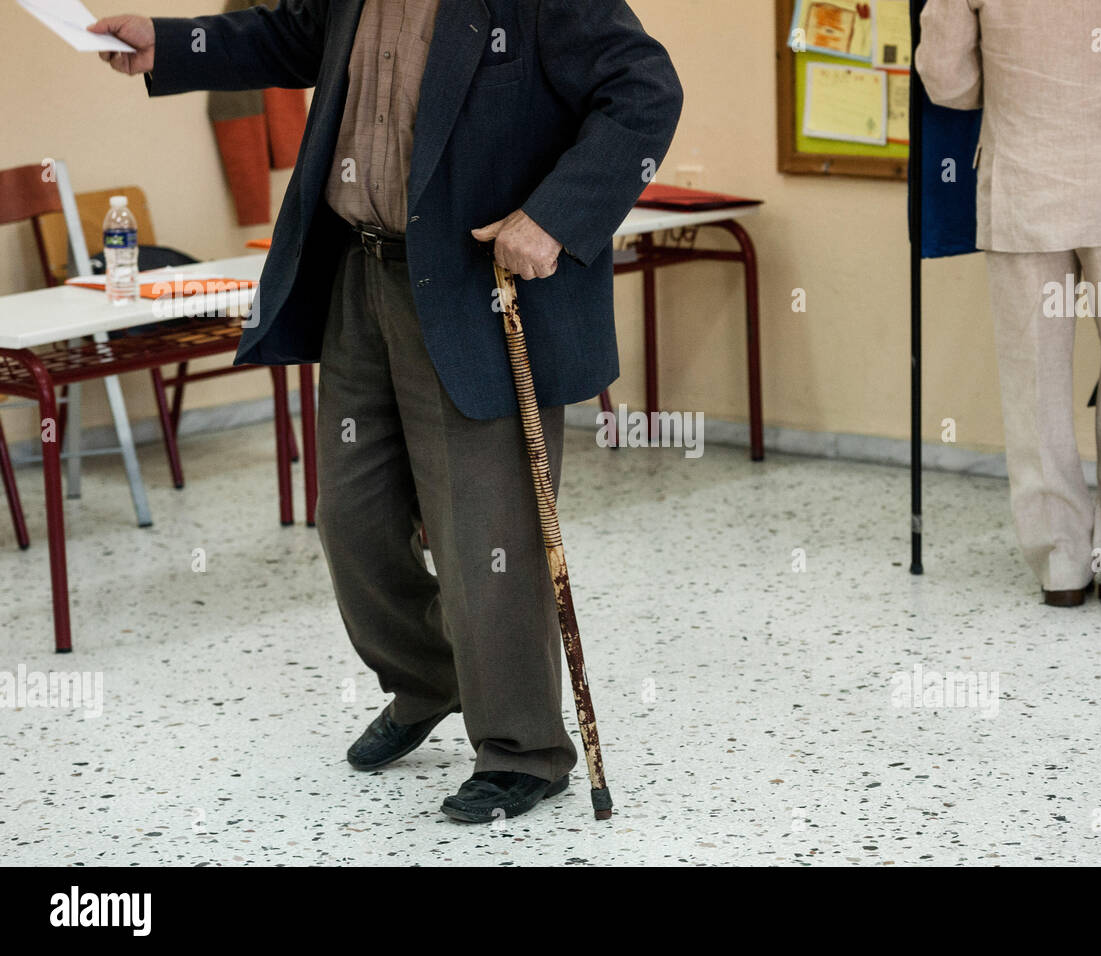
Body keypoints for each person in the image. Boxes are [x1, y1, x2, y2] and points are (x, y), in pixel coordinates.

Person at [92, 0, 682, 822]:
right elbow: (287, 34)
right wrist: (172, 43)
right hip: (360, 277)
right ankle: (428, 674)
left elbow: (646, 91)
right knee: (352, 520)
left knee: (489, 536)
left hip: (478, 291)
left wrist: (556, 216)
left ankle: (524, 750)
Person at [916, 0, 1101, 607]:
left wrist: (1019, 89)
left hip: (1023, 178)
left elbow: (946, 76)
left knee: (1032, 381)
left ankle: (1060, 565)